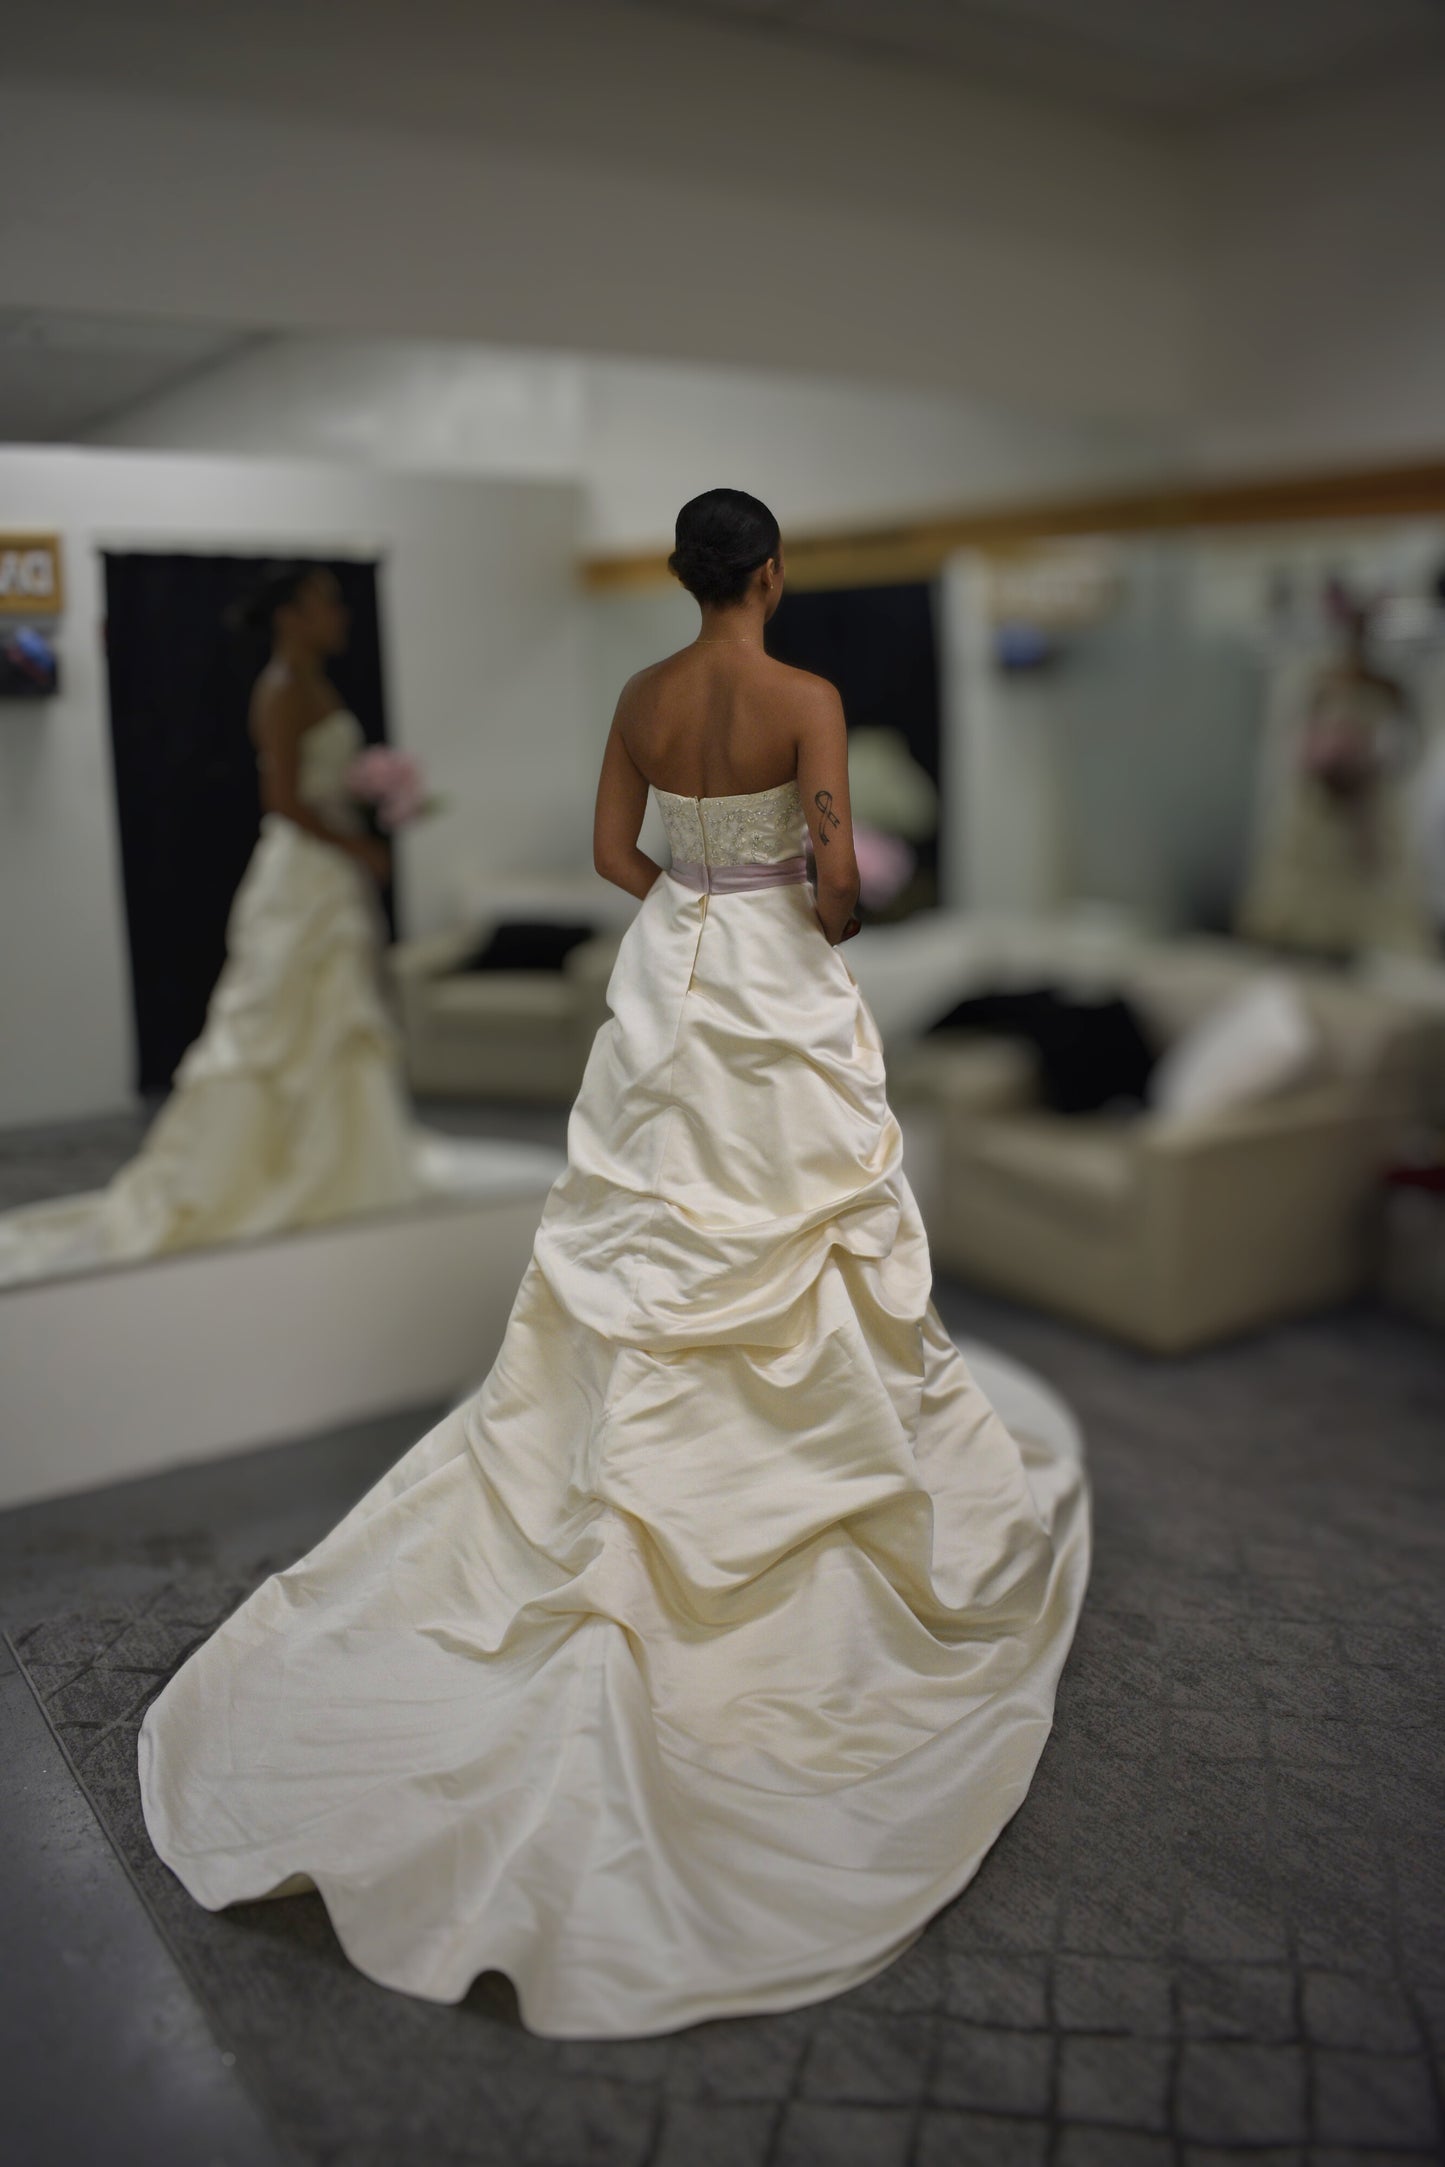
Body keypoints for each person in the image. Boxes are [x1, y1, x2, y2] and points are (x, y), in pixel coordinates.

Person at [136, 490, 1091, 2039]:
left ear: (678, 577)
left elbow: (607, 848)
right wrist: (806, 911)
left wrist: (693, 915)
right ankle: (796, 1486)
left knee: (648, 1234)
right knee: (798, 1236)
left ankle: (620, 1482)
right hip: (777, 962)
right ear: (768, 576)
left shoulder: (643, 697)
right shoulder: (807, 697)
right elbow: (838, 882)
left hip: (678, 960)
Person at [0, 564, 426, 1285]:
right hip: (305, 874)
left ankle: (342, 1162)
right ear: (291, 614)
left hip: (324, 872)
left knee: (330, 1017)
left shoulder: (311, 683)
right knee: (282, 1021)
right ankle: (275, 1166)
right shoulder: (284, 689)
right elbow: (284, 797)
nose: (340, 616)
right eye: (326, 603)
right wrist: (357, 841)